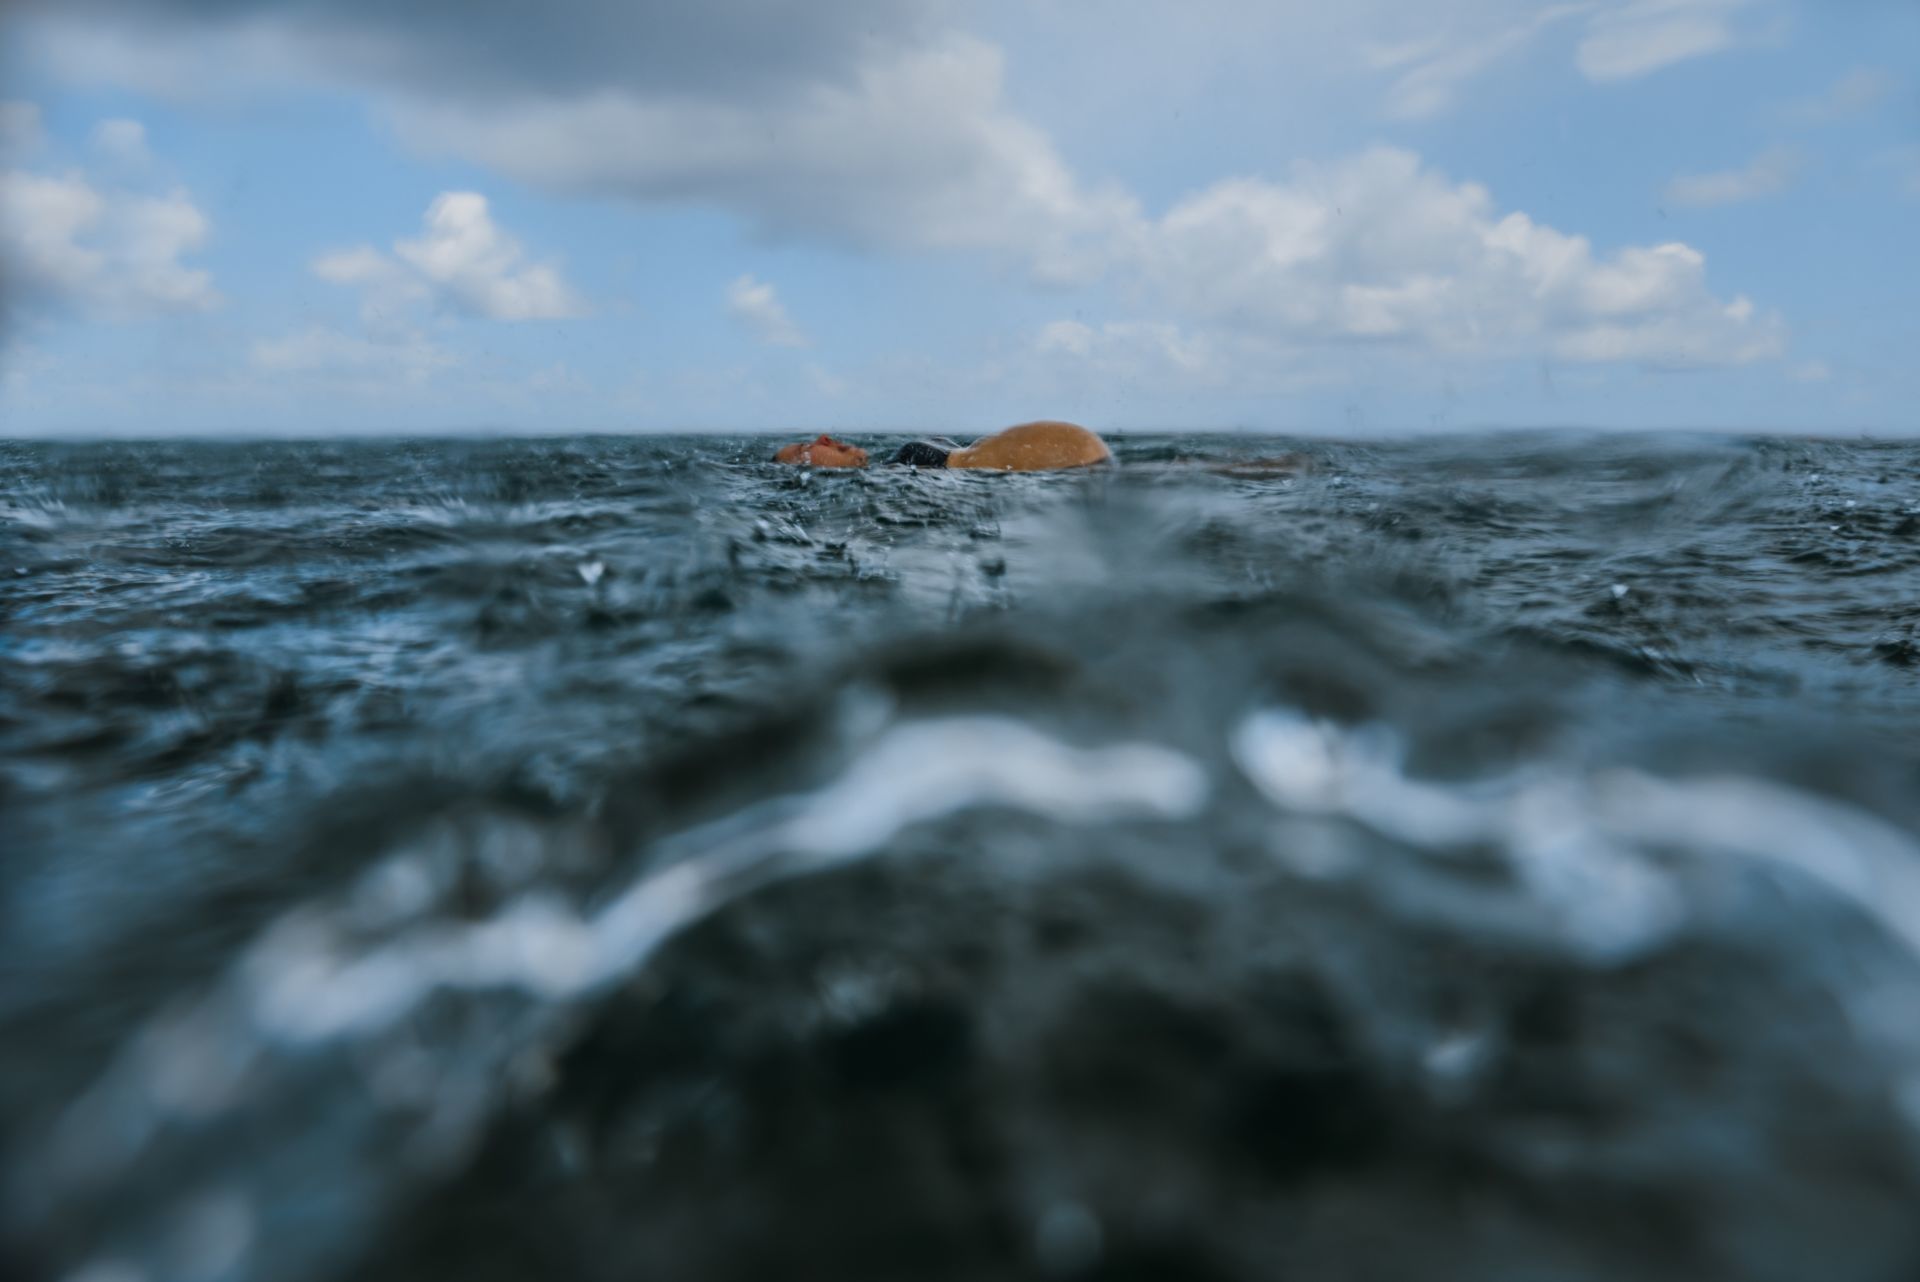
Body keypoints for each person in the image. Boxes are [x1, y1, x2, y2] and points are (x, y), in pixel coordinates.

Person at [772, 421, 1113, 472]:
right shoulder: (896, 474)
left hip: (1078, 466)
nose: (824, 439)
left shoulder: (898, 463)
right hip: (1075, 470)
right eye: (806, 449)